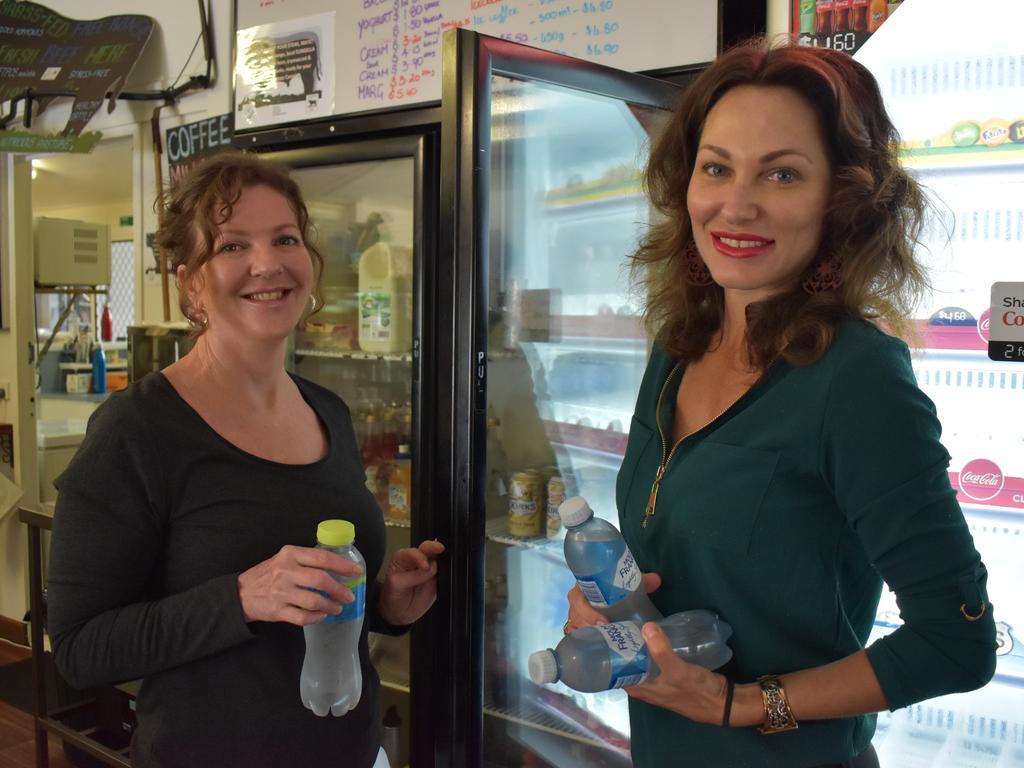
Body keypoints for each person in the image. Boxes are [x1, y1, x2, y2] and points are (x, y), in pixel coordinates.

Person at [564, 38, 997, 767]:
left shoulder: (856, 378)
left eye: (783, 173)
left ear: (842, 199)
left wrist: (739, 704)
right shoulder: (677, 345)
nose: (737, 205)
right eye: (716, 168)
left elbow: (956, 645)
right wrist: (609, 612)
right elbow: (668, 563)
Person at [47, 153, 443, 768]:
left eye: (285, 238)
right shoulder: (136, 432)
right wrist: (241, 598)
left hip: (354, 753)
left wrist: (387, 608)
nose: (269, 263)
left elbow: (317, 615)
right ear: (190, 283)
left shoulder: (328, 412)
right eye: (233, 246)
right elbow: (78, 648)